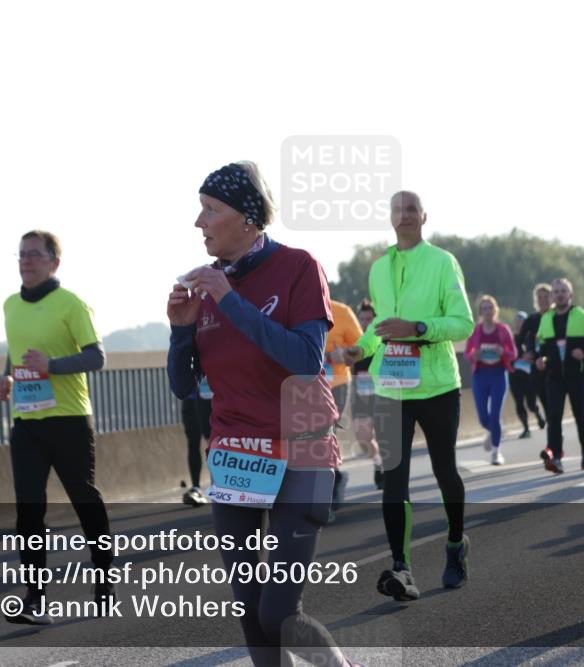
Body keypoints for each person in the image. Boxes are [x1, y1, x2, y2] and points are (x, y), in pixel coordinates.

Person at [167, 162, 359, 667]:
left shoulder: (298, 267)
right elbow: (184, 386)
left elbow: (306, 360)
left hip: (303, 450)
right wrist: (181, 329)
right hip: (236, 454)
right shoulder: (209, 286)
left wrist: (230, 302)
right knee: (252, 613)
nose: (199, 221)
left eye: (210, 209)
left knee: (278, 614)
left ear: (248, 218)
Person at [344, 190, 474, 600]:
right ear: (390, 217)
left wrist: (418, 328)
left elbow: (463, 323)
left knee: (444, 472)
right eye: (398, 210)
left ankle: (455, 544)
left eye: (412, 209)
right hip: (391, 387)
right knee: (394, 477)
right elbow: (380, 325)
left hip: (437, 386)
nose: (405, 215)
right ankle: (402, 568)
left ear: (423, 216)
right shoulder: (379, 268)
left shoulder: (442, 262)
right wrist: (361, 348)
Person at [0, 230, 115, 624]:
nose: (25, 261)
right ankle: (36, 599)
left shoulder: (71, 304)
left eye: (34, 254)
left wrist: (52, 366)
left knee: (84, 500)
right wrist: (7, 376)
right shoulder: (10, 304)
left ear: (54, 262)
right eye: (21, 254)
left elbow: (96, 358)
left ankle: (104, 582)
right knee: (28, 512)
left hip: (68, 420)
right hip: (26, 422)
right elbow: (16, 351)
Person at [534, 278, 584, 473]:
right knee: (554, 417)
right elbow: (541, 345)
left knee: (580, 415)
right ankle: (556, 457)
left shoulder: (582, 315)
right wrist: (540, 359)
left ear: (570, 294)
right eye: (556, 291)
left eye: (563, 291)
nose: (559, 295)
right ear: (552, 296)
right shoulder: (546, 318)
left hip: (577, 375)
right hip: (554, 377)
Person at [464, 295, 517, 464]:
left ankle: (496, 452)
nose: (487, 311)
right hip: (480, 376)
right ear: (480, 312)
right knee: (483, 418)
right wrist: (474, 355)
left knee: (495, 414)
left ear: (495, 310)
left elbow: (513, 353)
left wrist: (503, 352)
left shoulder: (503, 330)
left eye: (490, 308)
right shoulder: (476, 331)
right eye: (484, 308)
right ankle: (497, 430)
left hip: (498, 374)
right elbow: (467, 354)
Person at [325, 300, 364, 515]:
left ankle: (328, 494)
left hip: (336, 383)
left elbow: (362, 348)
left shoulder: (341, 311)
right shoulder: (294, 308)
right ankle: (336, 476)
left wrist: (347, 354)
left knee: (325, 432)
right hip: (303, 384)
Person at [350, 299, 384, 489]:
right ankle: (378, 461)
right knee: (362, 437)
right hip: (360, 393)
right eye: (362, 319)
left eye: (368, 319)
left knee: (383, 435)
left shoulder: (380, 339)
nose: (365, 323)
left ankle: (385, 470)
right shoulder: (354, 339)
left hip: (381, 393)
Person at [515, 283, 553, 422]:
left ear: (552, 298)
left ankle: (554, 429)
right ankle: (553, 430)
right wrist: (524, 354)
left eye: (546, 296)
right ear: (535, 300)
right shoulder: (531, 320)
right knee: (546, 406)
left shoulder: (557, 316)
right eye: (540, 297)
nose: (543, 300)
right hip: (537, 366)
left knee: (555, 404)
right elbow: (518, 341)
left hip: (554, 365)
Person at [509, 310, 545, 439]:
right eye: (517, 322)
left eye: (522, 321)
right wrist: (517, 358)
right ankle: (526, 428)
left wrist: (531, 356)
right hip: (514, 374)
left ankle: (537, 413)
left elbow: (538, 352)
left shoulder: (531, 337)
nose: (519, 324)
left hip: (529, 375)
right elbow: (507, 355)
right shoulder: (512, 338)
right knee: (519, 402)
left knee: (531, 403)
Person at [180, 377, 212, 506]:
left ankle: (222, 486)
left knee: (215, 443)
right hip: (193, 398)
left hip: (212, 396)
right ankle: (196, 487)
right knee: (193, 442)